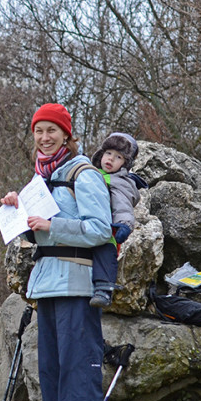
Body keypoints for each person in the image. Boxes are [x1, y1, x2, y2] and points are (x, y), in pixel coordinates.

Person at [0, 104, 112, 401]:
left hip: (77, 283)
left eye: (52, 130)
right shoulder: (40, 179)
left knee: (77, 370)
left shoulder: (84, 174)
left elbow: (100, 229)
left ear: (67, 134)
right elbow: (39, 233)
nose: (44, 138)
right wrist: (20, 213)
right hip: (46, 283)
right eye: (38, 131)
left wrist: (53, 223)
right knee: (50, 369)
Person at [87, 132, 144, 308]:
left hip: (108, 227)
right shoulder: (89, 173)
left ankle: (104, 288)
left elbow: (123, 204)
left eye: (118, 157)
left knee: (105, 251)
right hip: (86, 224)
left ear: (125, 164)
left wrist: (124, 224)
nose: (111, 159)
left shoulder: (120, 181)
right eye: (108, 153)